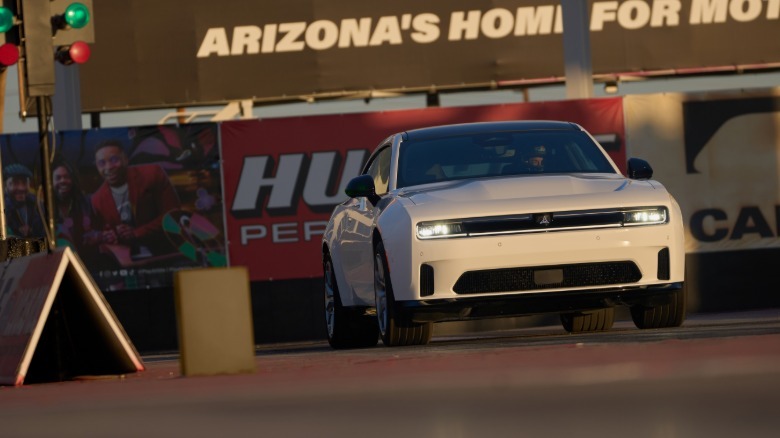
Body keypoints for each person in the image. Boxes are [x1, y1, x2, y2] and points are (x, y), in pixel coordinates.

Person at [90, 140, 181, 258]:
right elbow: (104, 234)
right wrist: (110, 235)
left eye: (114, 160)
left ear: (125, 159)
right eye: (102, 163)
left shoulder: (152, 173)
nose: (109, 167)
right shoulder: (96, 200)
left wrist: (137, 232)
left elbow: (174, 214)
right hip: (128, 261)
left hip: (166, 251)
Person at [52, 158, 102, 260]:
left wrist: (97, 235)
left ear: (73, 180)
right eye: (58, 178)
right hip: (58, 264)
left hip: (90, 264)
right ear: (51, 182)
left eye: (67, 177)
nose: (63, 181)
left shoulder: (88, 202)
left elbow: (103, 229)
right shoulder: (43, 209)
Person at [3, 163, 45, 238]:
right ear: (6, 185)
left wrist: (32, 231)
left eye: (24, 183)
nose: (21, 188)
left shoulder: (37, 204)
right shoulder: (2, 207)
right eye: (15, 183)